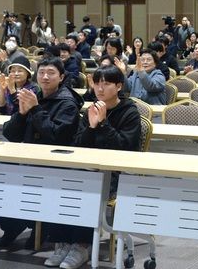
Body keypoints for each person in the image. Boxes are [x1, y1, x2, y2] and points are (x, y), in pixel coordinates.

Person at [41, 65, 141, 269]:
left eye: (106, 84)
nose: (100, 89)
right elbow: (77, 145)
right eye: (97, 83)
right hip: (87, 169)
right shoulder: (90, 110)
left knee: (84, 186)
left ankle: (81, 245)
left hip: (114, 174)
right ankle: (62, 243)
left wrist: (103, 124)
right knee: (59, 181)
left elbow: (125, 148)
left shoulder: (130, 112)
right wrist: (92, 126)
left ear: (119, 86)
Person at [0, 56, 83, 251]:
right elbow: (10, 134)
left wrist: (34, 109)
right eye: (41, 73)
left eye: (51, 73)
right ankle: (14, 224)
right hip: (28, 159)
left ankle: (39, 226)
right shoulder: (35, 96)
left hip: (54, 164)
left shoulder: (68, 104)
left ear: (61, 77)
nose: (45, 77)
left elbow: (56, 137)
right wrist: (23, 113)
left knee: (25, 181)